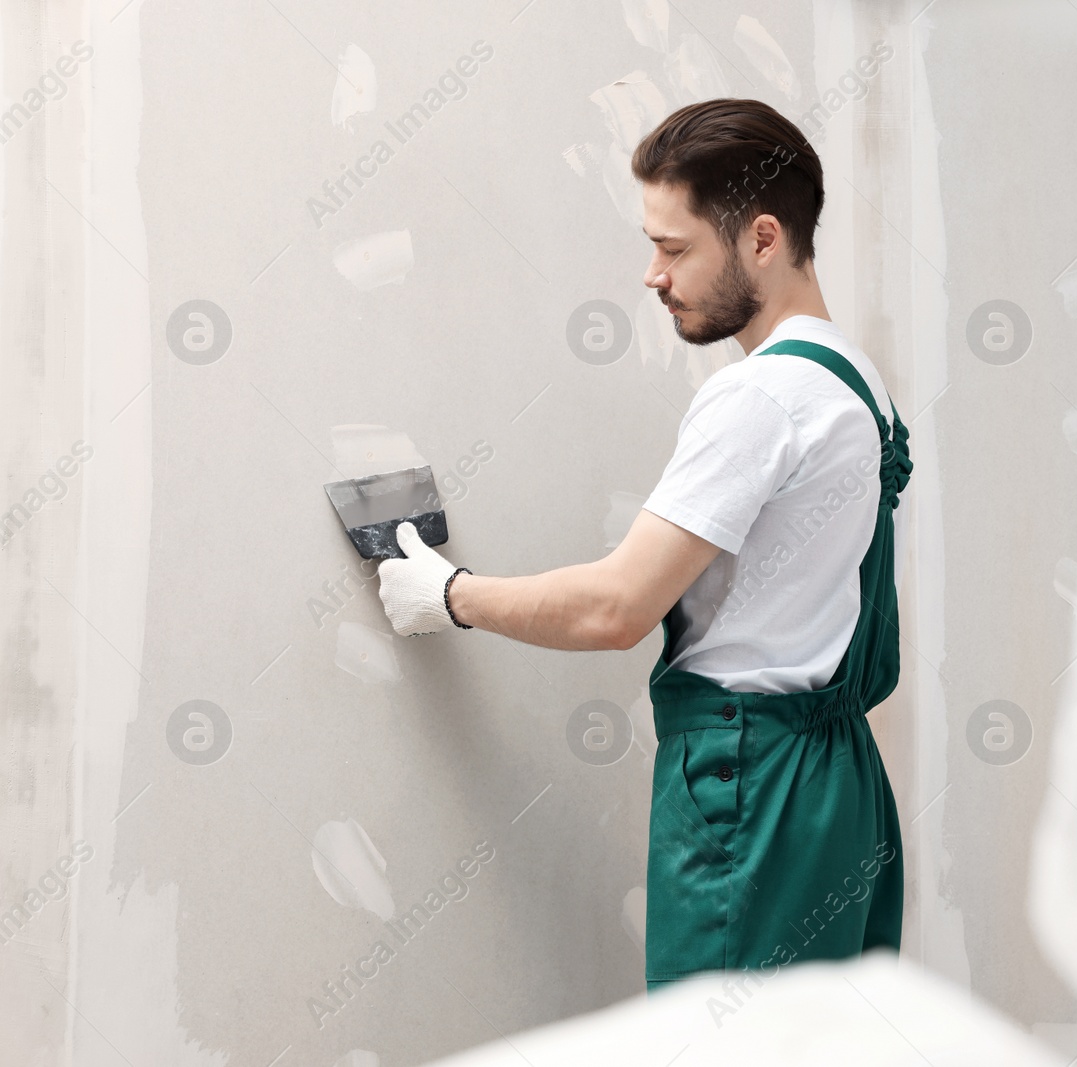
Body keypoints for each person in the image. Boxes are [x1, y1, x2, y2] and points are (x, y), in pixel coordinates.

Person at [376, 98, 912, 991]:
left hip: (748, 780)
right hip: (839, 787)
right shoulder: (858, 386)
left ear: (762, 239)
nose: (652, 275)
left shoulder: (761, 399)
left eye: (674, 248)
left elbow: (618, 607)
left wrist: (448, 593)